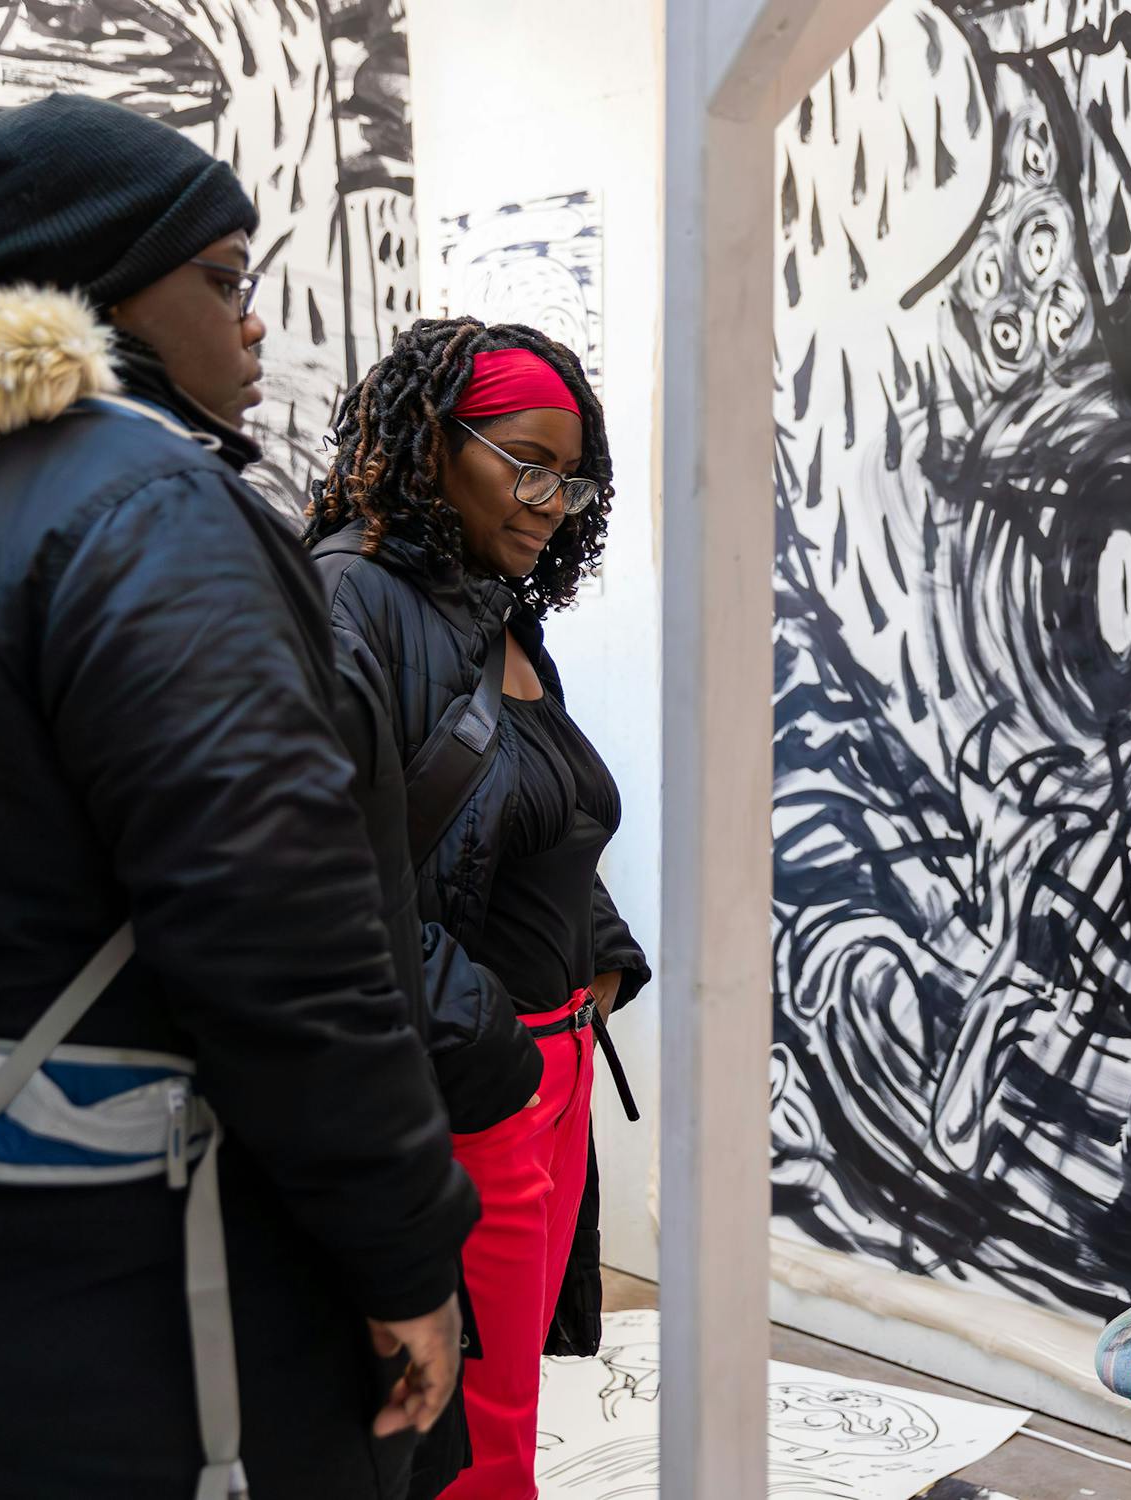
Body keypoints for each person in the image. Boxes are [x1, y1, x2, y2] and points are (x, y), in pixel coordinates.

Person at [0, 95, 477, 1498]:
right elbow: (276, 927)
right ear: (99, 286)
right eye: (225, 279)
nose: (253, 324)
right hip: (157, 1289)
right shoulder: (135, 506)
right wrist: (403, 1247)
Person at [304, 317, 651, 1499]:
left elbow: (545, 812)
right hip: (469, 1080)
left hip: (548, 1071)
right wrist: (492, 1048)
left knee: (505, 1410)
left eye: (574, 476)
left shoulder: (494, 610)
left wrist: (598, 963)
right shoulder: (354, 600)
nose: (553, 499)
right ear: (429, 445)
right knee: (467, 1438)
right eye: (526, 462)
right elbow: (336, 873)